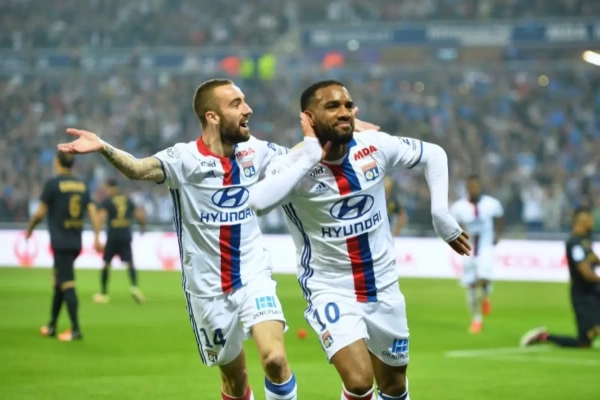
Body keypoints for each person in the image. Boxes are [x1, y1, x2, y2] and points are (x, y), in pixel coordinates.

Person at [55, 79, 377, 400]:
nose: (248, 109)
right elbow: (138, 169)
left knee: (275, 360)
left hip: (253, 276)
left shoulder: (256, 151)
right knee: (235, 382)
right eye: (236, 104)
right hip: (207, 289)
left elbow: (296, 156)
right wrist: (103, 146)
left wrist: (338, 131)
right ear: (212, 116)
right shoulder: (184, 159)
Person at [246, 80, 471, 400]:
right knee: (359, 381)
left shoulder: (374, 146)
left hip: (384, 286)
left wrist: (440, 214)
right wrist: (309, 155)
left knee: (394, 387)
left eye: (348, 105)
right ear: (308, 118)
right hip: (330, 287)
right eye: (332, 106)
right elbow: (258, 202)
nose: (344, 112)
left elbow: (433, 154)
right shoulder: (292, 167)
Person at [25, 151, 102, 342]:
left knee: (67, 283)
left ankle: (75, 330)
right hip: (75, 241)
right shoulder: (82, 184)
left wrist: (30, 229)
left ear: (57, 162)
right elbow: (92, 211)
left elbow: (40, 213)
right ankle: (51, 325)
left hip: (61, 242)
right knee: (59, 282)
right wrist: (97, 236)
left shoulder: (53, 184)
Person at [520, 207, 600, 349]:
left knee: (589, 337)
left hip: (593, 292)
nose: (593, 222)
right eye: (590, 219)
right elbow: (586, 273)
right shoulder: (575, 244)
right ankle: (543, 336)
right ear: (581, 221)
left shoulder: (586, 240)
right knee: (584, 343)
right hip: (583, 296)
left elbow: (593, 258)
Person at [449, 174, 504, 334]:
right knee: (471, 285)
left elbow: (500, 217)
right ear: (467, 188)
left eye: (477, 186)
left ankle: (485, 295)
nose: (475, 189)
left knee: (484, 279)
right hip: (469, 249)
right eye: (472, 186)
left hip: (486, 248)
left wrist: (498, 234)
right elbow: (452, 224)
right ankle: (476, 319)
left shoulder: (491, 204)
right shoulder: (459, 207)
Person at [93, 178, 147, 304]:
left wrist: (97, 236)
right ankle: (134, 287)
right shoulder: (127, 200)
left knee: (106, 263)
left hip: (113, 235)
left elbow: (101, 217)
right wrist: (143, 227)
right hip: (126, 234)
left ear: (109, 188)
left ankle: (104, 294)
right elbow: (139, 215)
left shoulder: (107, 201)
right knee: (130, 263)